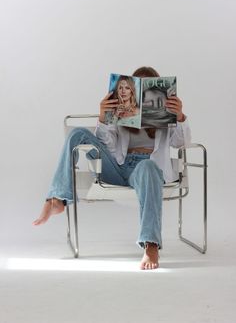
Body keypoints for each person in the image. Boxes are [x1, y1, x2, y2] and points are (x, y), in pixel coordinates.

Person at [33, 66, 191, 270]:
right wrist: (103, 117)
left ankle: (150, 244)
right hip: (117, 168)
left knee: (149, 166)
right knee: (77, 134)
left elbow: (181, 143)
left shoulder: (166, 117)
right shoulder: (122, 114)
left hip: (146, 170)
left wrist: (179, 117)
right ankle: (57, 199)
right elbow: (103, 145)